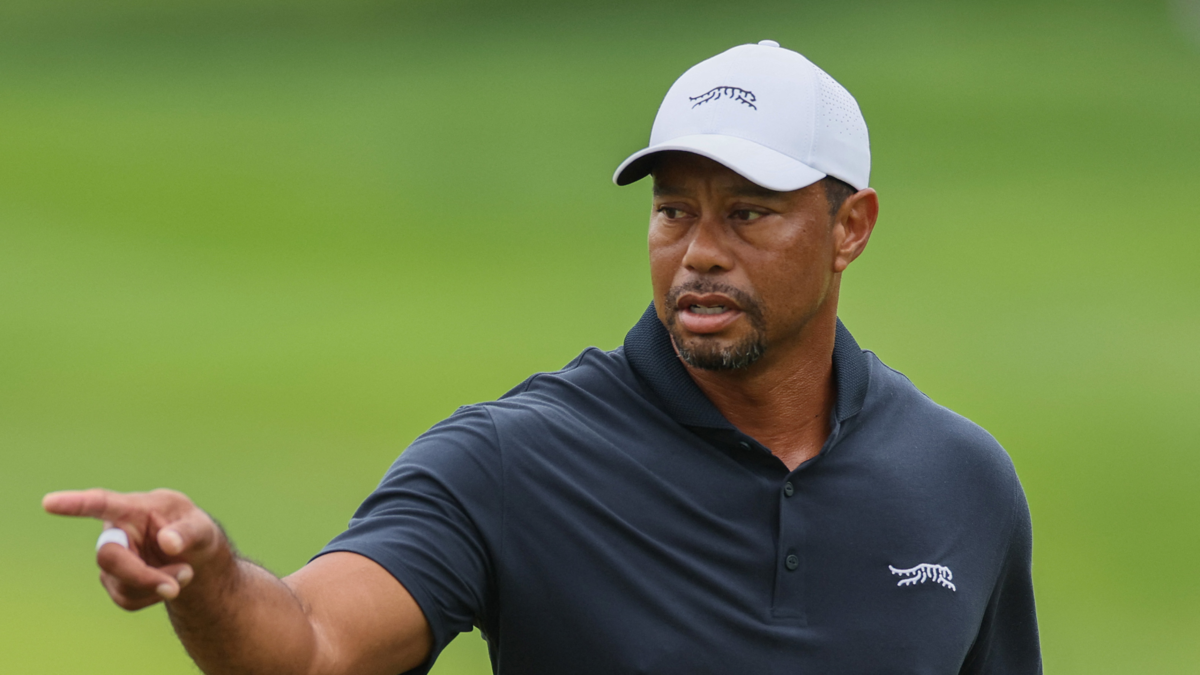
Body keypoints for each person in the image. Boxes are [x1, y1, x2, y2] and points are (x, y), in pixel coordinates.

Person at [44, 41, 1041, 674]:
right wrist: (211, 579)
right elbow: (311, 645)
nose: (699, 252)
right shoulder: (513, 462)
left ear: (850, 227)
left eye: (747, 214)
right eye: (673, 211)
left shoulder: (959, 481)